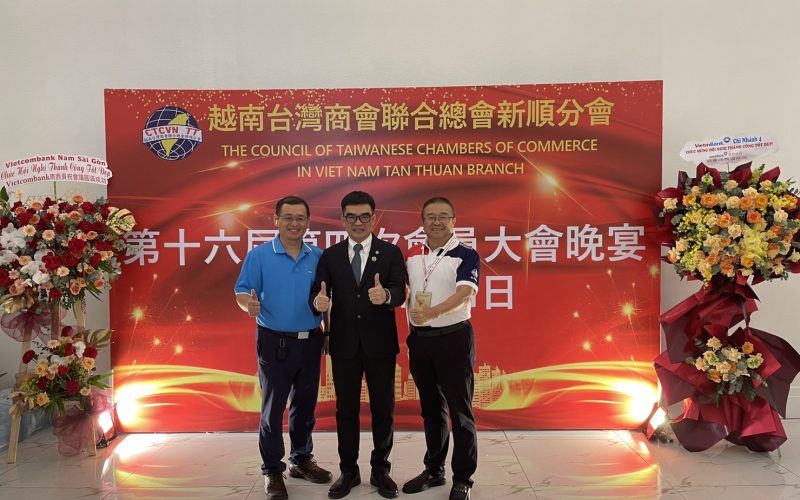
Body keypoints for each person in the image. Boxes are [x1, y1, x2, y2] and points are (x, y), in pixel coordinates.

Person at [234, 196, 332, 500]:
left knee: (305, 406)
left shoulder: (318, 256)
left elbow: (324, 297)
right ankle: (272, 471)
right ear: (276, 220)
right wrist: (248, 305)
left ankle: (301, 460)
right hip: (274, 341)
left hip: (311, 340)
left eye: (300, 218)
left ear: (308, 222)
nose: (294, 223)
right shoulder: (260, 255)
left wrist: (327, 328)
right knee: (273, 409)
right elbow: (242, 291)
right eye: (288, 217)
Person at [310, 191, 406, 499]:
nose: (358, 222)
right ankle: (348, 471)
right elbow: (317, 292)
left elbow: (399, 292)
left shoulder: (390, 252)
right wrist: (318, 302)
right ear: (342, 219)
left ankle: (381, 470)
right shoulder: (331, 256)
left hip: (380, 344)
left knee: (383, 409)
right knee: (346, 410)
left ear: (374, 218)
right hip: (344, 345)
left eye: (364, 216)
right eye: (351, 216)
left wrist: (386, 296)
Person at [402, 196, 479, 500]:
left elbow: (464, 294)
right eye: (430, 216)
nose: (436, 221)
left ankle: (463, 479)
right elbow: (406, 294)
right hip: (421, 341)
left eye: (443, 216)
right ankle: (434, 470)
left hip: (454, 339)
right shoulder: (413, 256)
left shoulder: (465, 255)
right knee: (432, 410)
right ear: (422, 222)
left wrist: (432, 313)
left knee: (460, 412)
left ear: (453, 221)